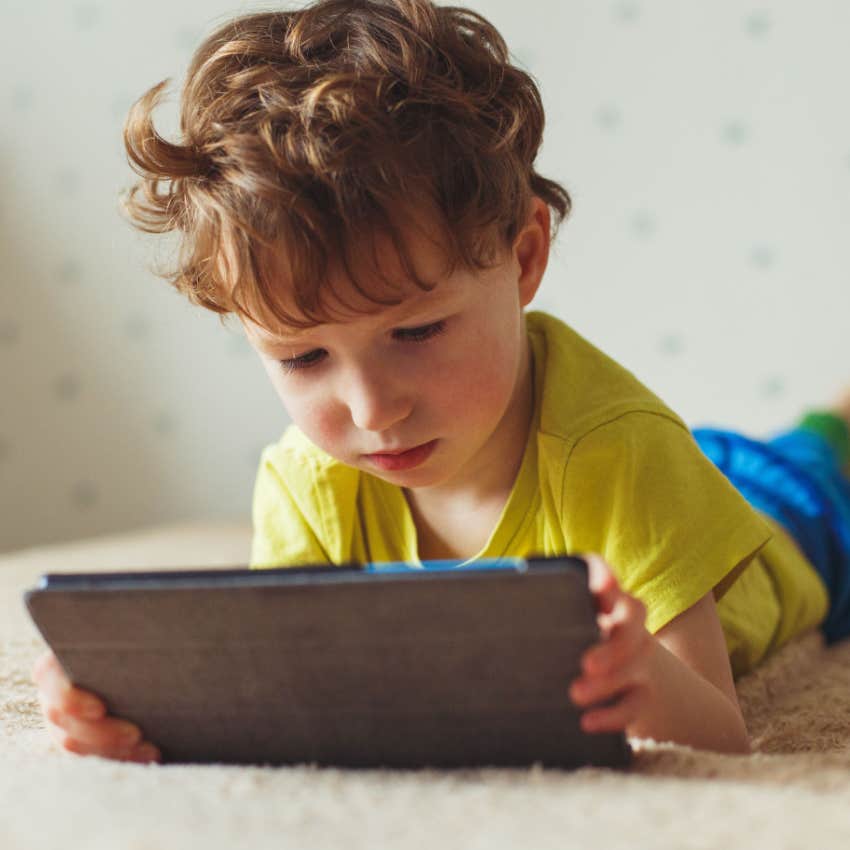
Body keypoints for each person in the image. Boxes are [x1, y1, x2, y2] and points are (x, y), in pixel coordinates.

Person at [31, 0, 850, 766]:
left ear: (524, 257)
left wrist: (647, 677)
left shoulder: (621, 455)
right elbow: (283, 699)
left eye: (416, 332)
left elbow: (722, 739)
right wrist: (126, 708)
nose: (372, 408)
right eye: (303, 358)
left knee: (813, 462)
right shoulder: (306, 482)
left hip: (778, 516)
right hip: (677, 472)